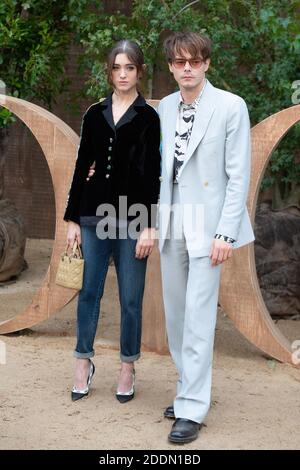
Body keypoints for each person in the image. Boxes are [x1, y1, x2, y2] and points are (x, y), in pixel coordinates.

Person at [157, 32, 255, 443]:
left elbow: (238, 177)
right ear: (171, 67)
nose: (187, 69)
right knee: (178, 317)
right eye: (179, 63)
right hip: (171, 219)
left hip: (209, 224)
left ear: (207, 64)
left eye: (194, 62)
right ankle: (188, 391)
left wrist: (224, 233)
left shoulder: (231, 106)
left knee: (199, 317)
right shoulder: (163, 107)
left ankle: (193, 407)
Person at [63, 40, 161, 403]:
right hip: (92, 216)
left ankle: (126, 367)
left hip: (134, 219)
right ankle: (83, 361)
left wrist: (150, 225)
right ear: (110, 71)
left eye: (130, 68)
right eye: (117, 67)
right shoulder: (94, 113)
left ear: (139, 72)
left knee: (130, 299)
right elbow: (80, 166)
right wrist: (72, 218)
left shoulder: (150, 118)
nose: (123, 74)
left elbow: (153, 174)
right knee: (89, 291)